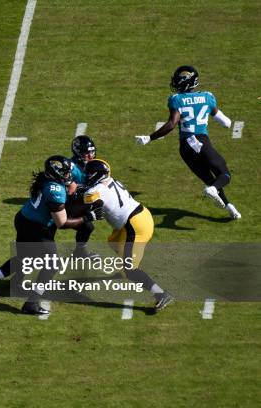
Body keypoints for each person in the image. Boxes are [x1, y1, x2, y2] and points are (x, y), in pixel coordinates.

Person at [0, 155, 104, 315]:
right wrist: (88, 216)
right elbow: (62, 222)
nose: (68, 176)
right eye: (64, 174)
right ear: (56, 174)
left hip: (26, 218)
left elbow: (68, 191)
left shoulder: (48, 179)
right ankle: (32, 303)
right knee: (52, 265)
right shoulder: (55, 190)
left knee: (25, 259)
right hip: (35, 227)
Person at [135, 66, 240, 219]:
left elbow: (172, 124)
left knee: (211, 181)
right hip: (200, 142)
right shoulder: (208, 97)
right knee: (224, 174)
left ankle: (230, 208)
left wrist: (149, 138)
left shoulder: (176, 99)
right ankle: (214, 192)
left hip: (185, 147)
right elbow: (226, 123)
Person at [83, 159, 173, 311]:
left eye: (89, 173)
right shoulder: (112, 181)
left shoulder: (94, 192)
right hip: (140, 215)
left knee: (128, 270)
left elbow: (87, 205)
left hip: (135, 226)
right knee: (113, 242)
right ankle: (130, 260)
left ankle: (161, 294)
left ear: (98, 175)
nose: (86, 175)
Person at [66, 135, 98, 258]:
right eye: (86, 153)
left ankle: (80, 252)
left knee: (87, 226)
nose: (90, 155)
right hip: (65, 205)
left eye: (92, 152)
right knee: (87, 226)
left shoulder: (93, 164)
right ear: (78, 152)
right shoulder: (70, 167)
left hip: (79, 203)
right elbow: (67, 191)